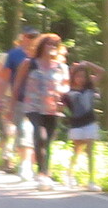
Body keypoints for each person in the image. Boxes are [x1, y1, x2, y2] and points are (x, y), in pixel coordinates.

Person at [14, 33, 69, 187]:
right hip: (33, 106)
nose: (52, 47)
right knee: (41, 136)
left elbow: (66, 86)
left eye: (55, 45)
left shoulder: (61, 67)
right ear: (42, 46)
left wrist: (61, 94)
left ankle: (45, 172)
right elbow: (17, 85)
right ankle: (42, 174)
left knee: (48, 142)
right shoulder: (29, 63)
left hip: (52, 107)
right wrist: (11, 106)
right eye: (49, 44)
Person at [0, 26, 38, 171]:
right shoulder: (11, 55)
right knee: (11, 129)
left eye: (35, 37)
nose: (32, 39)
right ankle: (8, 157)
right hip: (11, 96)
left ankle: (26, 162)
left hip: (35, 99)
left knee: (27, 130)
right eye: (30, 36)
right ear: (22, 37)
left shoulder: (40, 54)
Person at [62, 62, 104, 188]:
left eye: (84, 76)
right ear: (73, 76)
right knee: (77, 150)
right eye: (78, 76)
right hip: (76, 124)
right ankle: (69, 174)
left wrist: (87, 64)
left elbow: (101, 72)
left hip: (90, 122)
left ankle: (91, 180)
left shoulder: (90, 87)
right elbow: (62, 107)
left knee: (90, 151)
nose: (81, 79)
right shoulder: (67, 91)